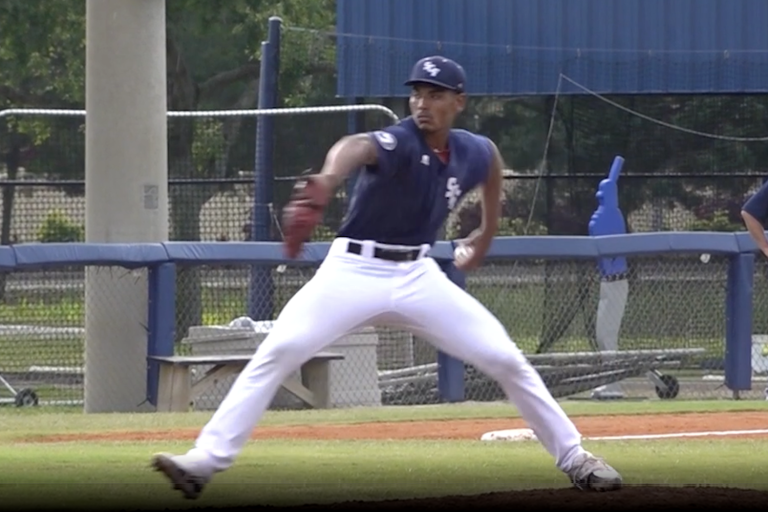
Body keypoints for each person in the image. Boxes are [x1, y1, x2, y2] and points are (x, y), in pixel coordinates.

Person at [151, 56, 623, 500]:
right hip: (354, 270)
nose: (423, 102)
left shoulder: (474, 151)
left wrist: (486, 231)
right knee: (278, 352)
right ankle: (202, 463)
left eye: (436, 93)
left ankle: (576, 457)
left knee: (506, 358)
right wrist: (325, 182)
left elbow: (492, 166)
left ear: (459, 101)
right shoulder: (400, 141)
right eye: (417, 92)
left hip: (418, 275)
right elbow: (355, 148)